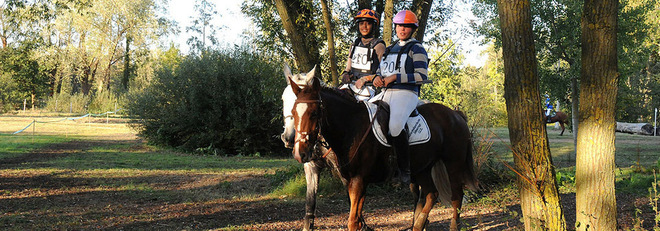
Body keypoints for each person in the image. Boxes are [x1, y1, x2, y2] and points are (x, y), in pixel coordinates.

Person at [369, 10, 429, 184]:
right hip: (386, 93)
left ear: (412, 29)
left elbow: (421, 76)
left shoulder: (417, 48)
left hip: (407, 93)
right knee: (365, 114)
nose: (402, 29)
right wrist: (377, 78)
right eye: (400, 26)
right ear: (395, 27)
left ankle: (404, 170)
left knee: (395, 127)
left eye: (407, 26)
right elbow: (380, 71)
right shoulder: (389, 49)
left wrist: (395, 77)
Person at [340, 9, 386, 101]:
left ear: (373, 26)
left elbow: (384, 72)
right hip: (351, 85)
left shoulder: (379, 46)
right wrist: (345, 74)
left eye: (368, 23)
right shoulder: (355, 44)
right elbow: (348, 68)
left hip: (369, 88)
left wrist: (365, 79)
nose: (364, 26)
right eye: (361, 23)